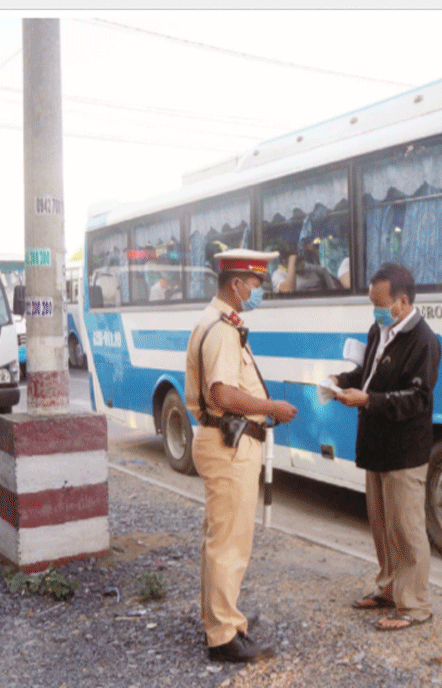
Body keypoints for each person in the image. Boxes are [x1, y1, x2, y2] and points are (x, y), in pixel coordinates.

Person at [184, 248, 298, 663]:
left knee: (222, 539)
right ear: (236, 284)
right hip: (227, 445)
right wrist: (273, 408)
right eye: (255, 284)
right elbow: (221, 393)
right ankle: (223, 636)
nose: (258, 291)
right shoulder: (220, 329)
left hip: (227, 443)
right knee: (229, 544)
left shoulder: (219, 322)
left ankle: (222, 622)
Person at [331, 262, 441, 631]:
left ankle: (415, 605)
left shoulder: (424, 341)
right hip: (376, 445)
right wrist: (339, 381)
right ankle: (389, 590)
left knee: (407, 529)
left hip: (404, 450)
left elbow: (417, 398)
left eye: (379, 303)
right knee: (381, 525)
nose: (375, 310)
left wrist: (368, 401)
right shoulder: (380, 331)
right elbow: (367, 376)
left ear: (402, 302)